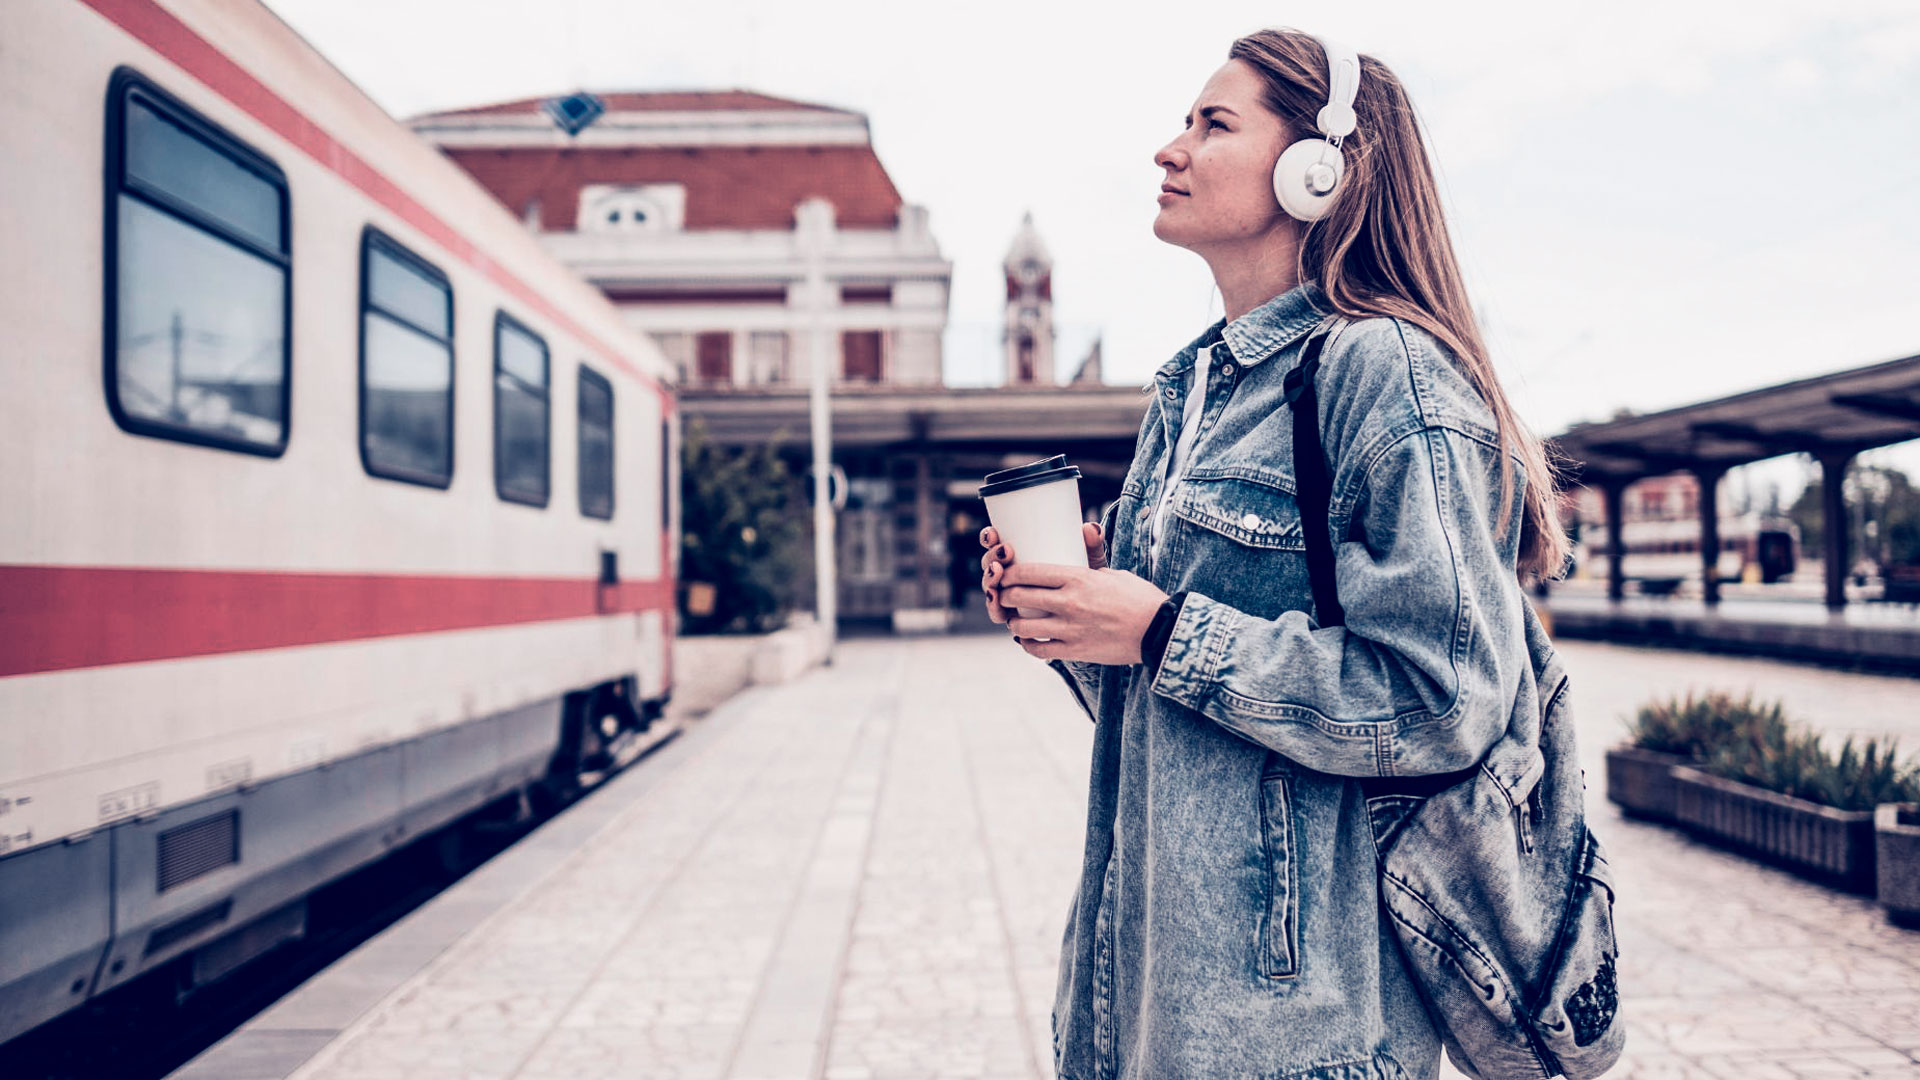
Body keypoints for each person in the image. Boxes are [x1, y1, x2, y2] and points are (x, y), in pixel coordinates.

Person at [978, 27, 1571, 1080]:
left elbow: (1444, 701)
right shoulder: (1191, 391)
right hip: (1140, 1004)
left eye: (1212, 124)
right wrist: (1078, 625)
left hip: (1297, 1033)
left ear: (1319, 167)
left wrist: (1161, 629)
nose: (1170, 149)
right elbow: (1176, 715)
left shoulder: (1386, 373)